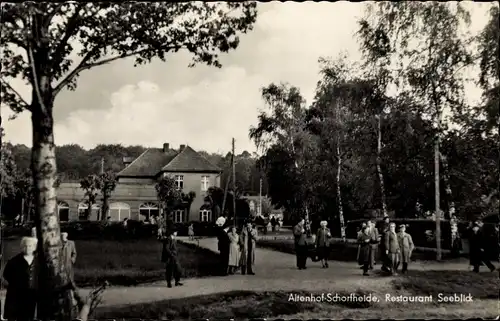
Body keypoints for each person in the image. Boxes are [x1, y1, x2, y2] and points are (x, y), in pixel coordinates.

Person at [3, 237, 39, 321]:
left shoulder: (38, 261)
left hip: (32, 294)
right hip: (17, 294)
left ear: (34, 247)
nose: (27, 248)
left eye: (30, 246)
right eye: (25, 246)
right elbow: (6, 275)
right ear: (22, 247)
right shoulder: (14, 261)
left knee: (30, 315)